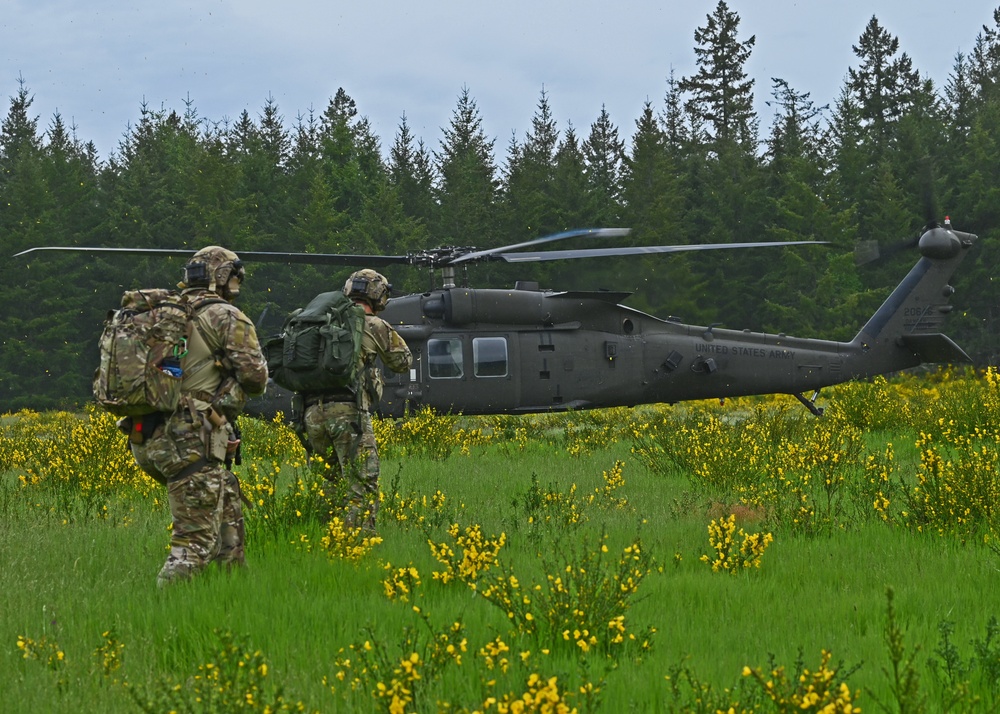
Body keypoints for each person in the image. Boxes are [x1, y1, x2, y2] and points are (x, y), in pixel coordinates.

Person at [126, 246, 268, 587]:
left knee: (227, 500)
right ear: (222, 277)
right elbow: (256, 378)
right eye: (235, 276)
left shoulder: (164, 312)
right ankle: (162, 611)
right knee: (193, 547)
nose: (237, 283)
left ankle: (231, 592)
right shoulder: (224, 315)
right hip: (187, 439)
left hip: (146, 435)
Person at [302, 268, 411, 531]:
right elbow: (402, 361)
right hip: (349, 415)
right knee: (362, 482)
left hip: (311, 416)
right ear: (378, 296)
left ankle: (325, 538)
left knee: (328, 483)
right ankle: (356, 545)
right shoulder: (372, 324)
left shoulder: (322, 321)